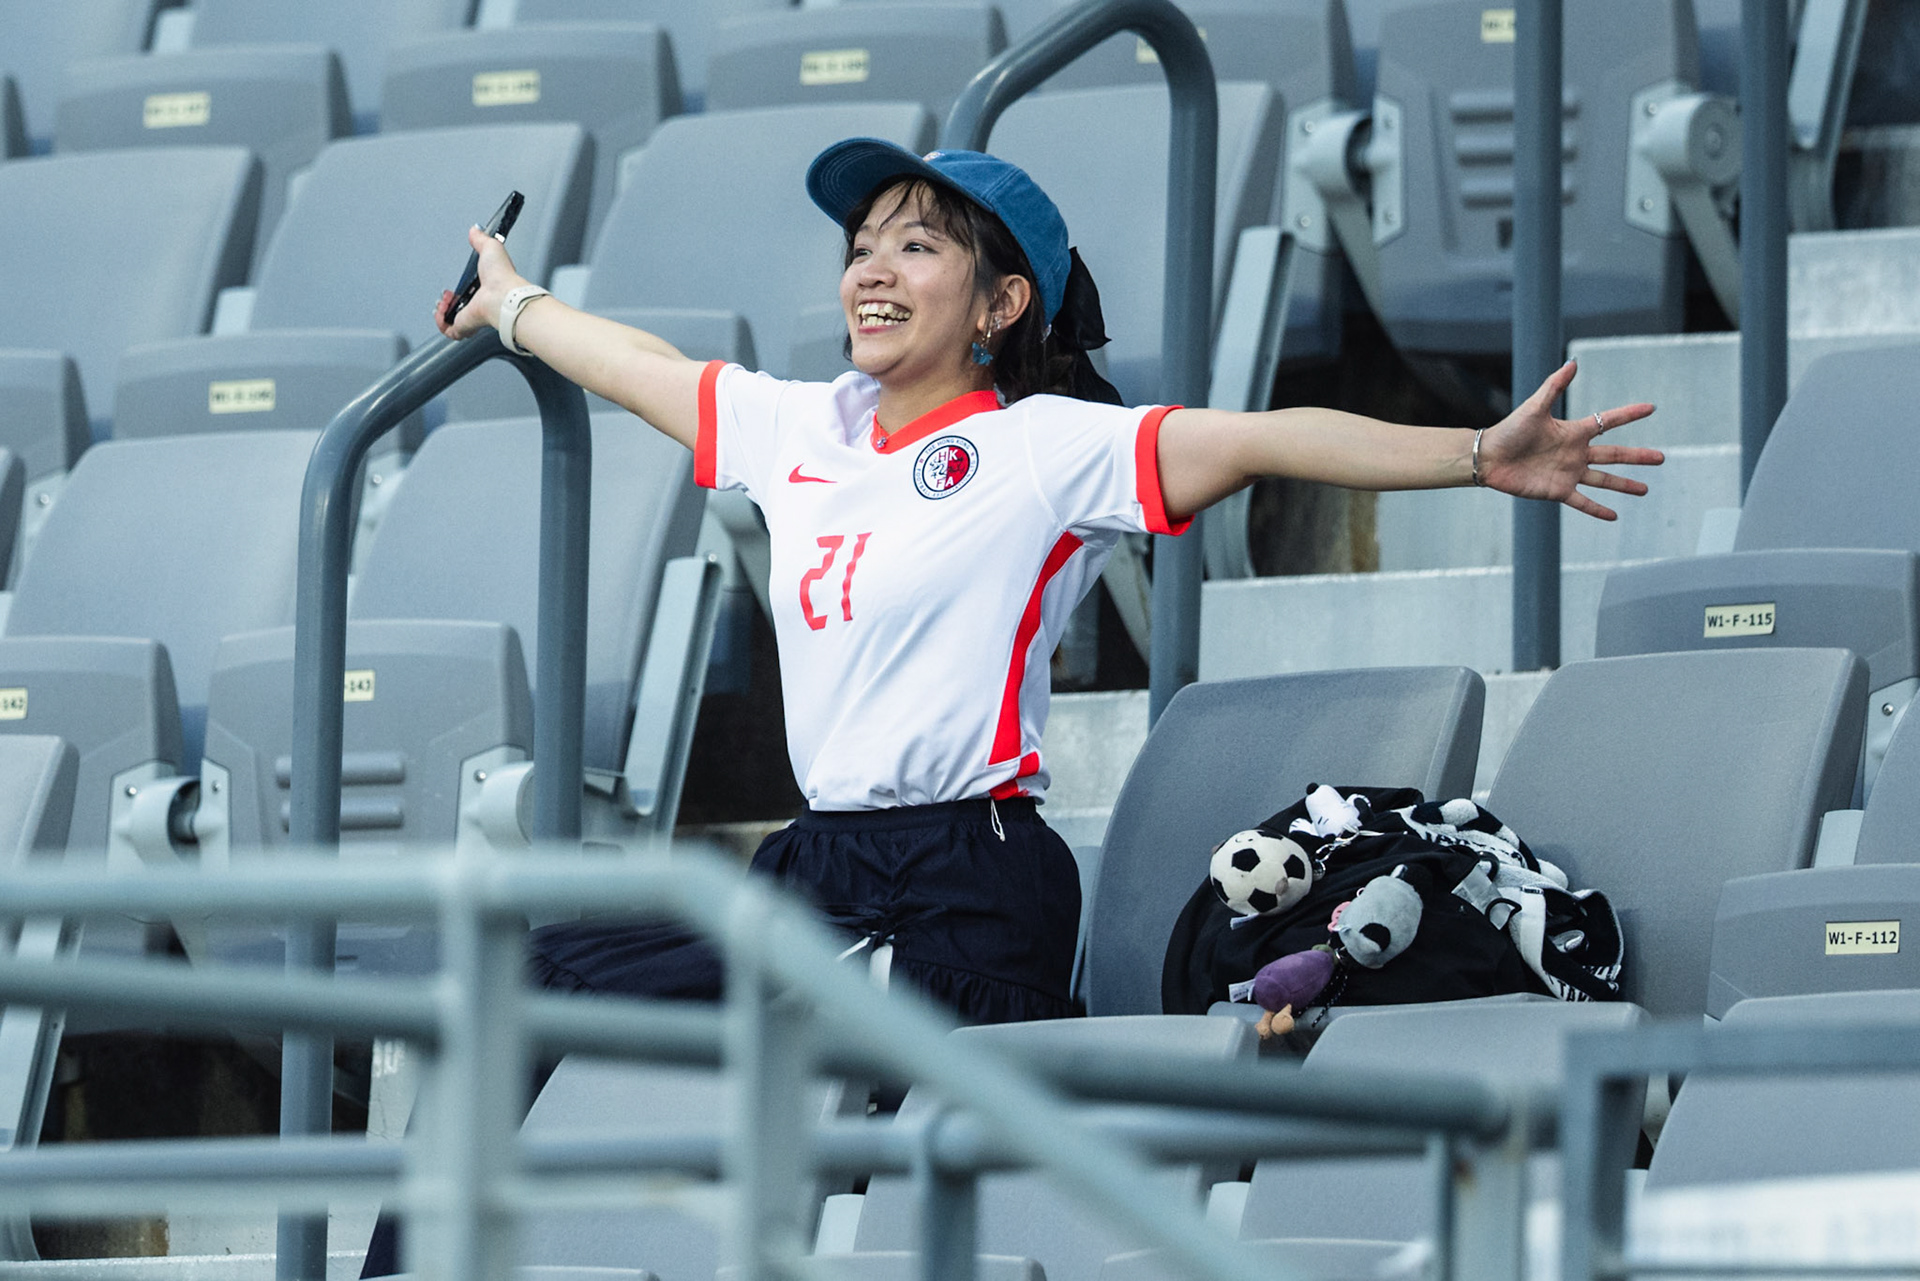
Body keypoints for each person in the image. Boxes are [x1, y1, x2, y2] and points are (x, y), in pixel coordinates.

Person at [434, 138, 1662, 1027]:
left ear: (1001, 301)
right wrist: (512, 303)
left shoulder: (1043, 445)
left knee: (839, 1070)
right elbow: (645, 366)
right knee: (534, 976)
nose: (872, 268)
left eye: (917, 246)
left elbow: (1262, 436)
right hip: (816, 873)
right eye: (862, 246)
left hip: (969, 883)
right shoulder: (802, 428)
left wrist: (1473, 456)